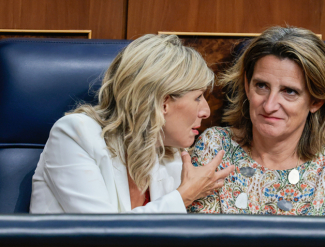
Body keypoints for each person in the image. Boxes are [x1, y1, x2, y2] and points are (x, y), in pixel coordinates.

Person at [30, 34, 234, 214]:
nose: (206, 111)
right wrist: (184, 196)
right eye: (198, 97)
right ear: (163, 103)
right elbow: (101, 233)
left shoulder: (170, 153)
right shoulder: (74, 135)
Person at [188, 26, 325, 216]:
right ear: (247, 84)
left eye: (289, 91)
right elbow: (202, 238)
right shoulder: (215, 147)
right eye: (261, 86)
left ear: (316, 101)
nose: (269, 106)